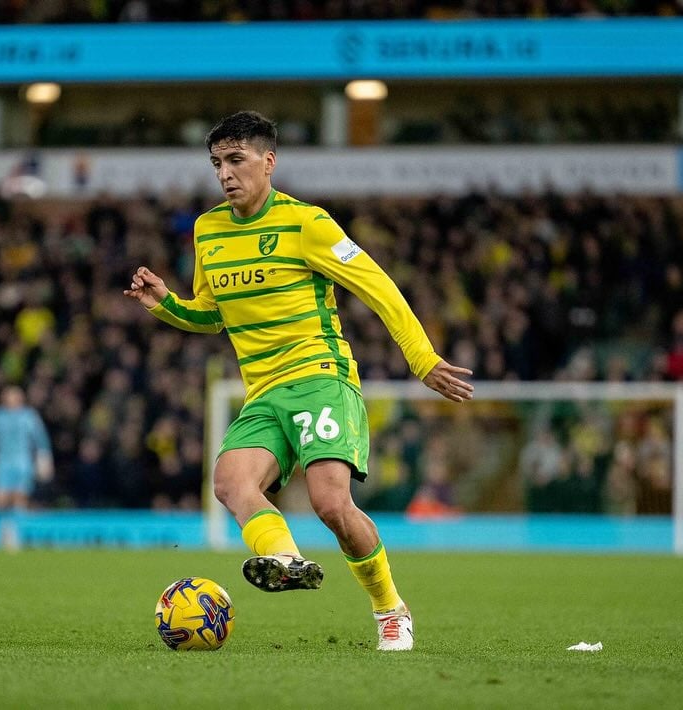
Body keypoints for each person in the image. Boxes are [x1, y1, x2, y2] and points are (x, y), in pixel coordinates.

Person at [124, 111, 473, 651]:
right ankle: (284, 559)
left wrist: (421, 357)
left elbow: (377, 286)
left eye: (236, 160)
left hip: (318, 376)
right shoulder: (207, 230)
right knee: (230, 481)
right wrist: (166, 304)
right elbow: (212, 315)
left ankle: (390, 608)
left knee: (331, 504)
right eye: (217, 163)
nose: (225, 174)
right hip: (264, 392)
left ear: (269, 162)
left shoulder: (309, 223)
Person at [0, 385, 54, 550]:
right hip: (2, 464)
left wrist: (44, 460)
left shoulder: (29, 416)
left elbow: (41, 440)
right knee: (0, 500)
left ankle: (15, 534)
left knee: (19, 499)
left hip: (23, 464)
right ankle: (3, 530)